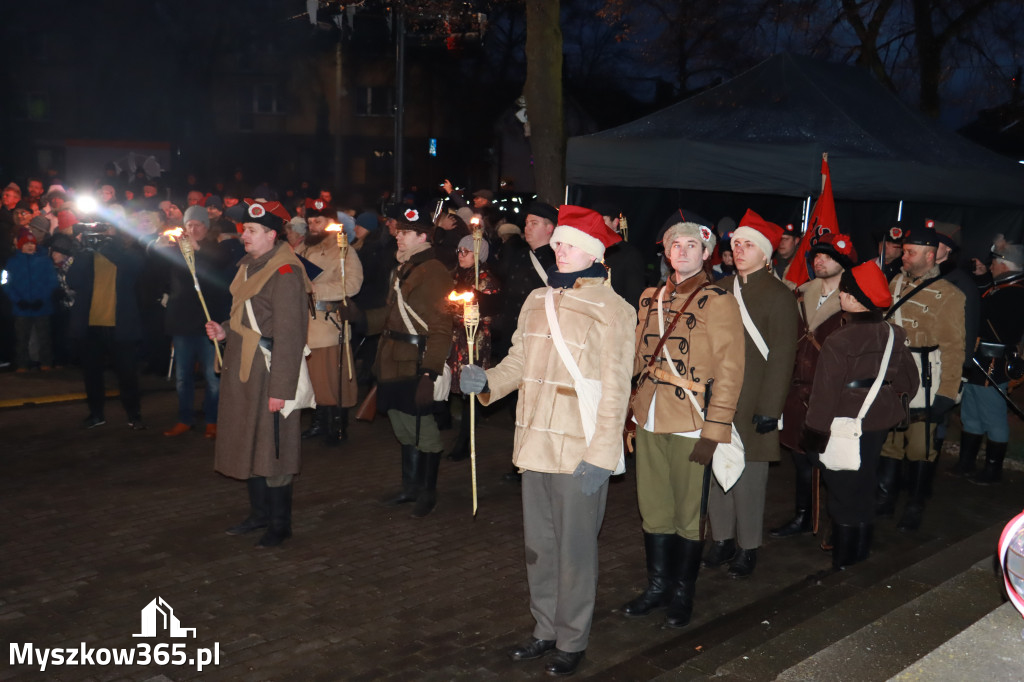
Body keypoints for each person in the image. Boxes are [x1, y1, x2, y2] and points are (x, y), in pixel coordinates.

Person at [460, 205, 634, 677]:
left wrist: (603, 453)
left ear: (594, 251)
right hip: (533, 440)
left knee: (575, 550)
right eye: (558, 240)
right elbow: (519, 360)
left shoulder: (615, 308)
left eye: (569, 242)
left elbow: (617, 388)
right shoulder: (538, 298)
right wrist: (488, 380)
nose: (558, 247)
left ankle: (572, 638)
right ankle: (544, 629)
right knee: (539, 545)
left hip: (580, 446)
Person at [622, 221, 744, 629]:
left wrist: (716, 429)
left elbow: (730, 370)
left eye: (692, 245)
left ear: (706, 253)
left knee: (688, 513)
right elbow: (638, 361)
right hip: (651, 414)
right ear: (667, 252)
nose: (683, 251)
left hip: (692, 418)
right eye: (677, 244)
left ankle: (682, 592)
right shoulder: (649, 297)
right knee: (654, 509)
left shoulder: (719, 301)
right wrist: (629, 413)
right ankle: (657, 586)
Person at [205, 199, 311, 548]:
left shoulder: (285, 273)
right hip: (243, 368)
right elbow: (244, 318)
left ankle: (280, 524)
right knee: (248, 441)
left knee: (274, 448)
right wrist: (223, 330)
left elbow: (291, 337)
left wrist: (281, 389)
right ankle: (259, 514)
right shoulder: (249, 266)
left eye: (251, 230)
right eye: (244, 229)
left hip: (268, 370)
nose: (244, 235)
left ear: (270, 234)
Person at [800, 261, 918, 569]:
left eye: (845, 292)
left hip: (841, 428)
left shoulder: (840, 340)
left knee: (841, 495)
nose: (841, 296)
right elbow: (909, 383)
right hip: (876, 426)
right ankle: (860, 559)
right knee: (865, 489)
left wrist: (814, 438)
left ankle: (842, 565)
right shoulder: (894, 334)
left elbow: (824, 396)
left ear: (854, 299)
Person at [705, 209, 798, 578]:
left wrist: (770, 408)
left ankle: (748, 545)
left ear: (766, 254)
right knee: (715, 470)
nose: (739, 250)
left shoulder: (779, 295)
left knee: (750, 477)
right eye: (736, 244)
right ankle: (722, 539)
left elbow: (782, 356)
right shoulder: (720, 288)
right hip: (717, 397)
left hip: (756, 396)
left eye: (748, 245)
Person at [878, 223, 965, 531]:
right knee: (889, 442)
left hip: (925, 380)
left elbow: (955, 348)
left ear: (930, 256)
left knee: (920, 447)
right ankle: (885, 498)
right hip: (892, 376)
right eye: (904, 251)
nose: (905, 256)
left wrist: (947, 392)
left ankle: (915, 503)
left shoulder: (950, 295)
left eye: (911, 252)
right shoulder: (894, 284)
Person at [370, 207, 454, 518]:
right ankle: (410, 487)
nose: (398, 237)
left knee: (424, 431)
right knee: (403, 428)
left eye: (405, 233)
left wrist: (430, 373)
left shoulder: (433, 271)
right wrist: (360, 318)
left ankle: (427, 492)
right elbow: (391, 314)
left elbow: (442, 325)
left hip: (416, 361)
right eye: (399, 231)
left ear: (423, 237)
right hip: (392, 358)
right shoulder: (403, 268)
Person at [774, 232, 856, 538]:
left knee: (833, 463)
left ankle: (838, 523)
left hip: (831, 393)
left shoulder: (854, 301)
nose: (819, 260)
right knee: (800, 459)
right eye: (816, 256)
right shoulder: (801, 294)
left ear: (844, 262)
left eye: (828, 256)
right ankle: (803, 516)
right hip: (798, 391)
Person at [953, 240, 1024, 484]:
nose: (990, 266)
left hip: (993, 364)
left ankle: (993, 471)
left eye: (993, 263)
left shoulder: (1014, 293)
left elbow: (982, 314)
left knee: (994, 419)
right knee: (970, 414)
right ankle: (966, 463)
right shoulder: (1001, 289)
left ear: (1004, 266)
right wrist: (983, 280)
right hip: (978, 360)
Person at [160, 206, 233, 439]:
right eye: (189, 225)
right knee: (183, 377)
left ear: (207, 227)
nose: (193, 229)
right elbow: (155, 263)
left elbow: (217, 271)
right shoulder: (177, 250)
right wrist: (158, 243)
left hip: (208, 324)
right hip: (182, 324)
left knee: (213, 378)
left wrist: (197, 248)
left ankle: (213, 420)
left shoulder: (217, 249)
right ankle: (185, 419)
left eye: (198, 225)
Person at [296, 198, 364, 445]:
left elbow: (353, 284)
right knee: (312, 379)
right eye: (310, 221)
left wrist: (316, 289)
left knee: (331, 380)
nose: (313, 226)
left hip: (327, 324)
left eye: (318, 221)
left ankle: (337, 425)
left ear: (331, 222)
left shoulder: (343, 249)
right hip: (304, 324)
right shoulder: (301, 248)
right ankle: (318, 423)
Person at [66, 221, 147, 429]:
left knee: (127, 374)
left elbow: (135, 268)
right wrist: (84, 252)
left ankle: (133, 415)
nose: (100, 234)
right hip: (91, 324)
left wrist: (108, 246)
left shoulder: (130, 252)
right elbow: (72, 280)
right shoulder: (88, 253)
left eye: (106, 229)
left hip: (120, 325)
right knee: (92, 374)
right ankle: (96, 414)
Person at [445, 234, 501, 461]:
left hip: (474, 341)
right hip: (457, 339)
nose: (461, 255)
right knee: (459, 389)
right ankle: (460, 433)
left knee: (471, 389)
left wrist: (462, 309)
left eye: (466, 252)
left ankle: (465, 441)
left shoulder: (485, 279)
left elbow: (489, 312)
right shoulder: (458, 275)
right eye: (459, 251)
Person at [4, 229, 59, 371]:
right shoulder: (11, 262)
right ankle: (22, 364)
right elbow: (6, 283)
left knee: (44, 337)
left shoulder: (45, 261)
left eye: (32, 243)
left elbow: (52, 282)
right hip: (21, 307)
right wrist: (18, 300)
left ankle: (46, 363)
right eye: (26, 243)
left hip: (42, 306)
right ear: (20, 245)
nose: (30, 246)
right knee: (21, 338)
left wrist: (42, 299)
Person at [593, 202, 646, 311]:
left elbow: (634, 300)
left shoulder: (629, 254)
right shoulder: (586, 250)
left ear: (615, 222)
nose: (596, 225)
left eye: (602, 220)